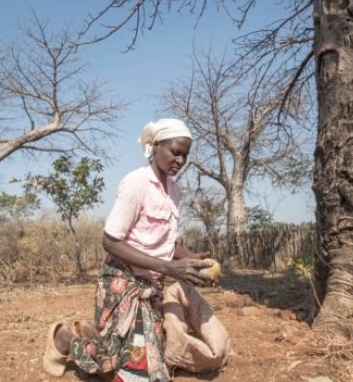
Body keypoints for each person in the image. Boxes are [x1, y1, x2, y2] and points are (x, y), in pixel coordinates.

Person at [43, 118, 220, 381]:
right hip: (122, 282)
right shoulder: (136, 183)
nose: (180, 161)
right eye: (175, 152)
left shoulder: (174, 191)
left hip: (150, 286)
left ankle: (93, 335)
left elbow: (163, 242)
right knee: (120, 368)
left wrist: (190, 259)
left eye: (185, 155)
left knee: (146, 361)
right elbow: (111, 241)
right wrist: (170, 268)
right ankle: (62, 338)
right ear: (156, 146)